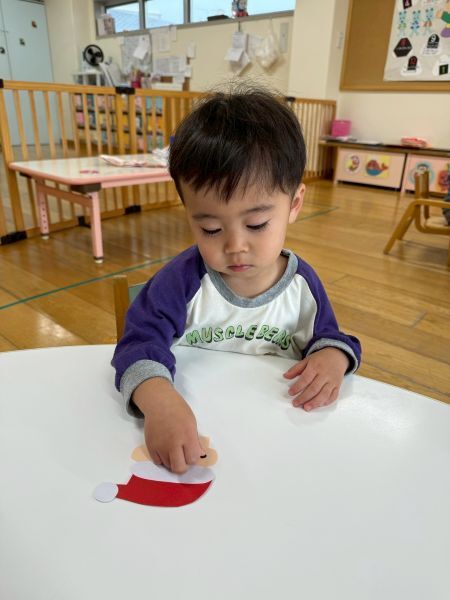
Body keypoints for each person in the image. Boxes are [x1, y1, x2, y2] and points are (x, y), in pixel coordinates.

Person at [112, 85, 362, 474]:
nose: (235, 246)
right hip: (198, 432)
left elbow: (330, 339)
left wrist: (333, 357)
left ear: (294, 204)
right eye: (210, 229)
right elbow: (138, 344)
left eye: (257, 224)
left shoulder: (302, 287)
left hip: (274, 443)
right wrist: (158, 400)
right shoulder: (180, 281)